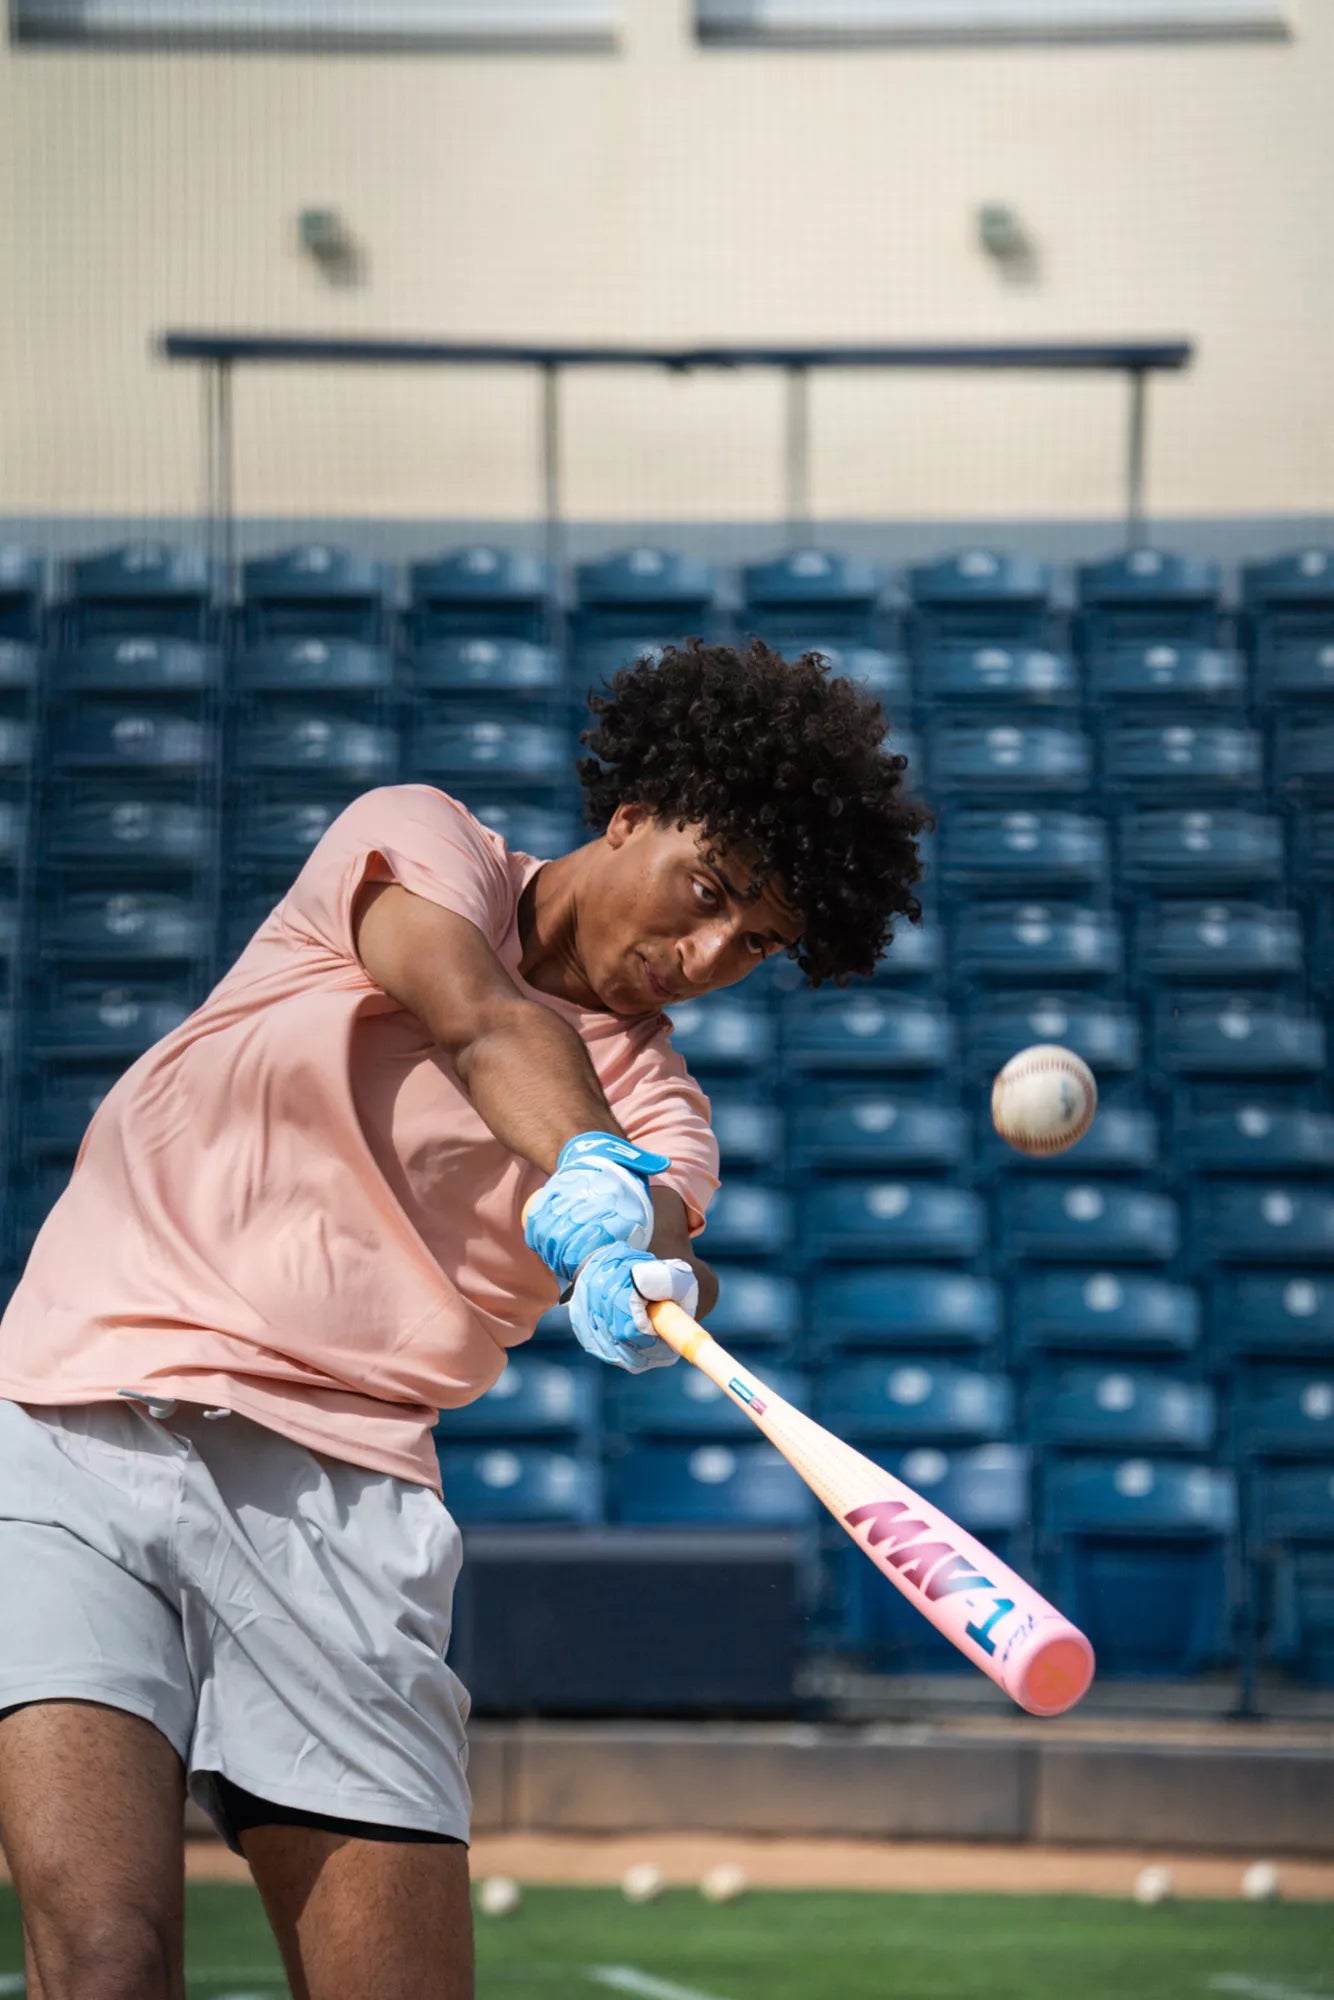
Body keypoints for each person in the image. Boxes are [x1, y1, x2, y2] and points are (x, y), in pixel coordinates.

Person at [0, 637, 928, 2000]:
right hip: (80, 1412)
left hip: (343, 1504)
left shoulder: (665, 1114)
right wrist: (585, 1165)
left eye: (758, 945)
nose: (706, 956)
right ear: (633, 815)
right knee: (105, 1966)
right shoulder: (424, 843)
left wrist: (658, 1268)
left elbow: (669, 1223)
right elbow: (481, 1015)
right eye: (709, 891)